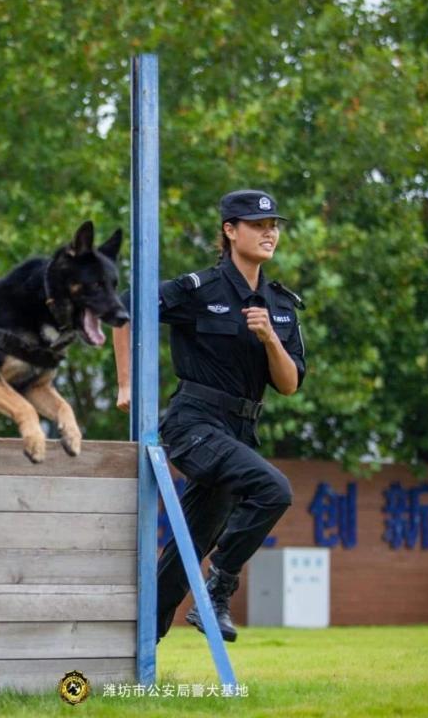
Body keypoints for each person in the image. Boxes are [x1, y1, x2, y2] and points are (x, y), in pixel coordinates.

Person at [113, 189, 307, 642]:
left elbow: (289, 384)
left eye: (273, 225)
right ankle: (219, 590)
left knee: (183, 554)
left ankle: (133, 654)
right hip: (194, 424)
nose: (269, 232)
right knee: (272, 489)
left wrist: (270, 340)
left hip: (239, 433)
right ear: (229, 230)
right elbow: (123, 309)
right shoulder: (200, 290)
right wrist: (126, 383)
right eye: (257, 225)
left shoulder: (280, 307)